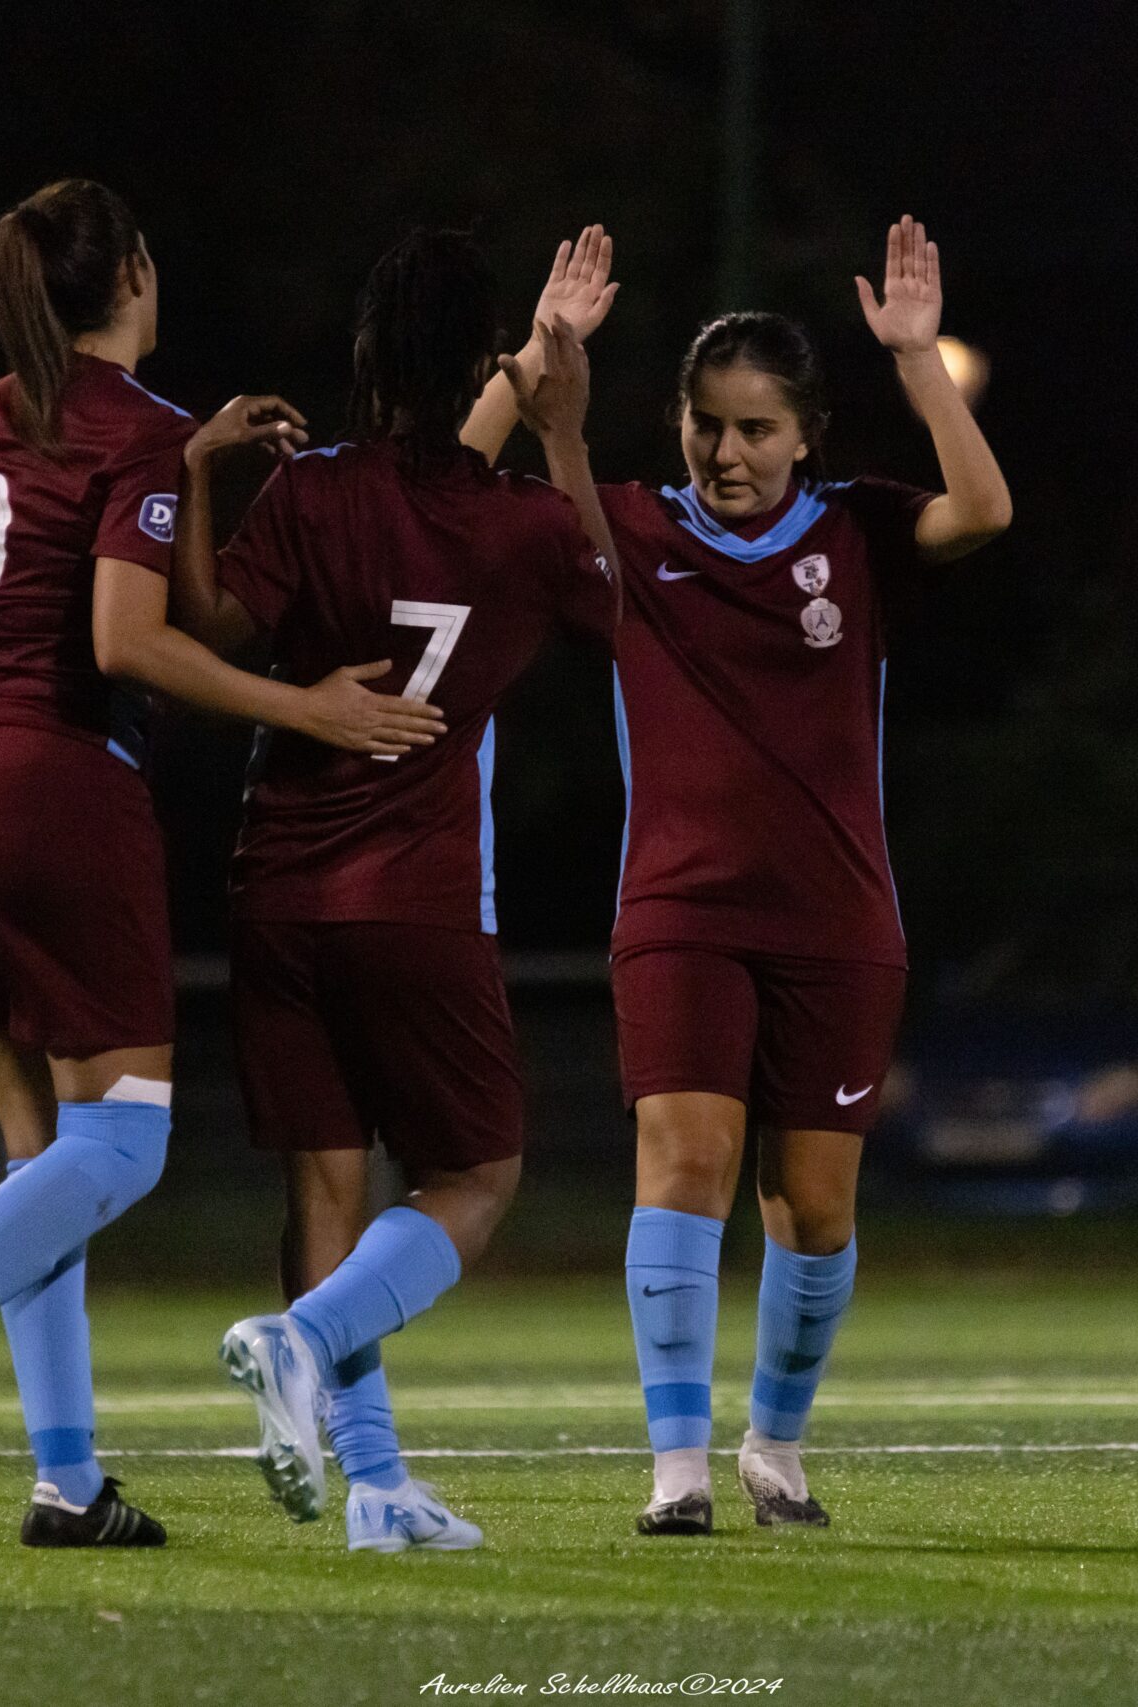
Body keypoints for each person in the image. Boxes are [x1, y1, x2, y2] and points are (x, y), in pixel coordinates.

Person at [0, 178, 445, 1548]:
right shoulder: (136, 435)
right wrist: (308, 704)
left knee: (45, 1154)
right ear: (137, 276)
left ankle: (66, 1479)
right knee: (129, 1137)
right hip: (47, 789)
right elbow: (124, 642)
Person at [463, 216, 1012, 1534]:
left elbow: (985, 507)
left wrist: (921, 360)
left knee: (811, 1207)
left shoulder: (861, 535)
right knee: (686, 1157)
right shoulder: (634, 530)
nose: (728, 452)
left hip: (837, 919)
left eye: (758, 428)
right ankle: (677, 1469)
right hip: (681, 912)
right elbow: (459, 484)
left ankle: (773, 1443)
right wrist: (541, 366)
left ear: (807, 434)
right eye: (709, 424)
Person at [176, 229, 619, 1553]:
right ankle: (301, 1344)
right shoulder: (526, 521)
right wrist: (569, 422)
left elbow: (206, 627)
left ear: (367, 365)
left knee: (328, 1184)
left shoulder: (310, 493)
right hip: (418, 896)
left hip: (279, 888)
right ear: (486, 366)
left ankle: (373, 1489)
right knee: (475, 1173)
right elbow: (617, 599)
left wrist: (195, 473)